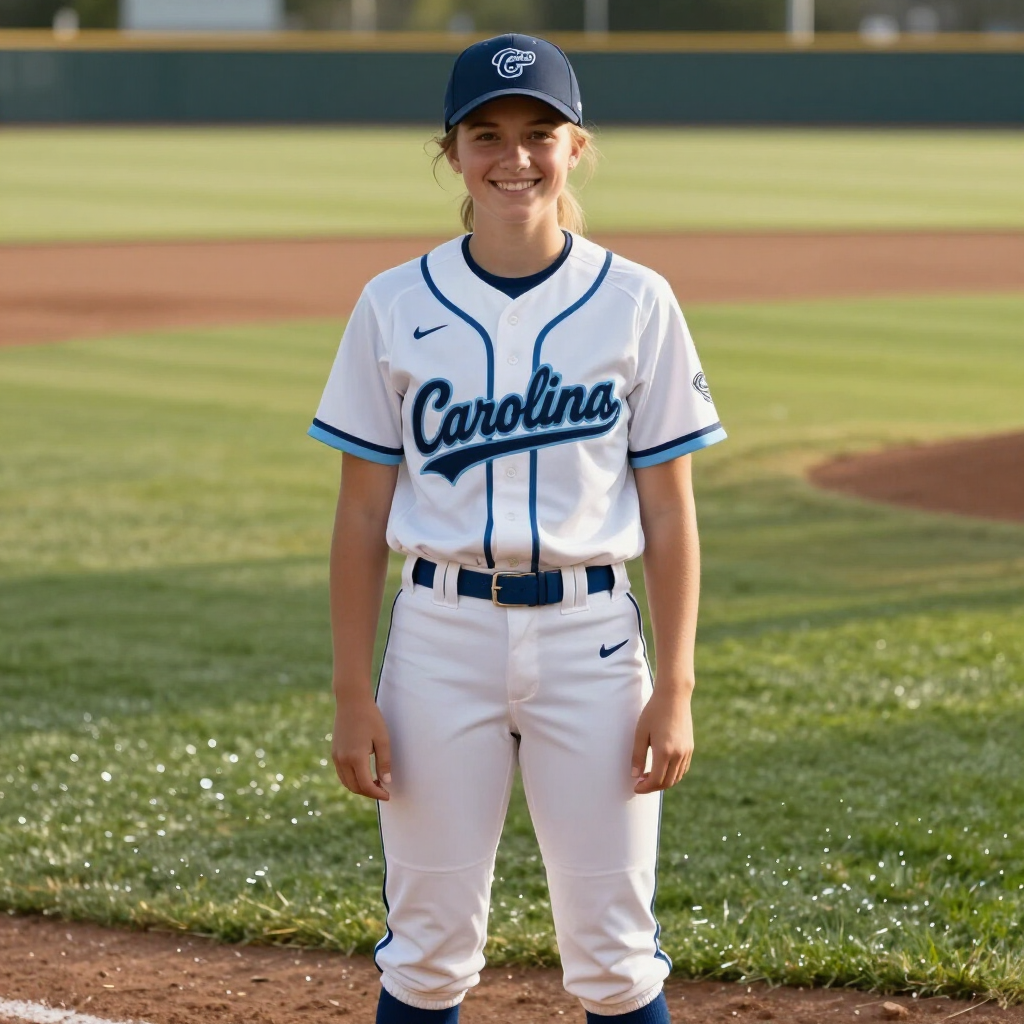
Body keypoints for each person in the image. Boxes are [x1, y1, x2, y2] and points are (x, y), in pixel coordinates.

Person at [308, 33, 726, 1024]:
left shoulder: (637, 301)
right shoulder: (393, 304)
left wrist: (675, 684)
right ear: (450, 152)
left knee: (616, 956)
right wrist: (350, 690)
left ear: (575, 146)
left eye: (539, 131)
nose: (514, 155)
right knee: (426, 951)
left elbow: (669, 509)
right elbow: (361, 510)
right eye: (485, 133)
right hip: (438, 636)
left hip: (595, 637)